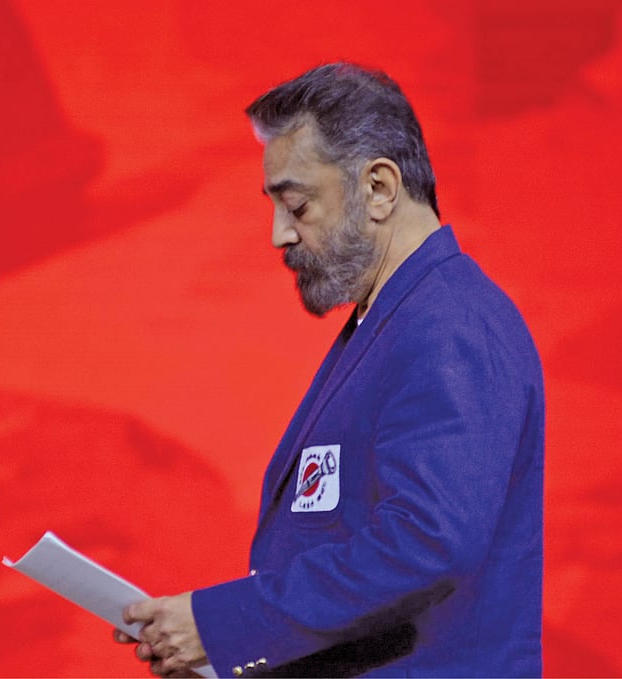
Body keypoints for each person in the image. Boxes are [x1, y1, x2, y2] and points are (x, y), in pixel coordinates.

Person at [113, 63, 544, 678]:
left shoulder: (450, 324)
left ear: (379, 188)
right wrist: (229, 653)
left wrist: (225, 626)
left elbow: (426, 542)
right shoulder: (399, 322)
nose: (278, 235)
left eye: (297, 204)